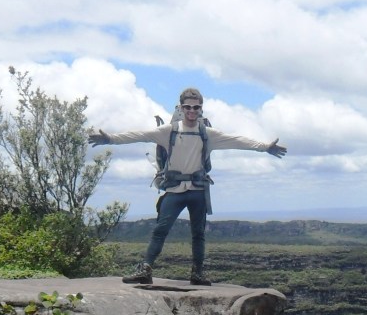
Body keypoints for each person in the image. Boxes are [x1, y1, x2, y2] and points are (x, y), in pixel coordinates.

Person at [89, 87, 286, 285]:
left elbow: (237, 141)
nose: (192, 111)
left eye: (196, 107)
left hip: (198, 190)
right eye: (188, 107)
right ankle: (145, 270)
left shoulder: (207, 134)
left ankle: (197, 274)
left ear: (201, 109)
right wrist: (110, 139)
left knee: (198, 234)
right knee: (160, 229)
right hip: (175, 189)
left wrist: (265, 147)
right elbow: (140, 135)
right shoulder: (169, 131)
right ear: (181, 108)